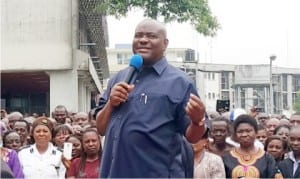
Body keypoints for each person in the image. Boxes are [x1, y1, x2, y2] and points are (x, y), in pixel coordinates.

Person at [95, 19, 207, 178]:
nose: (143, 40)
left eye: (151, 36)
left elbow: (193, 137)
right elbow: (101, 128)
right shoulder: (119, 78)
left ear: (165, 43)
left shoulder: (180, 82)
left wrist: (197, 121)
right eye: (138, 36)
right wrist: (111, 104)